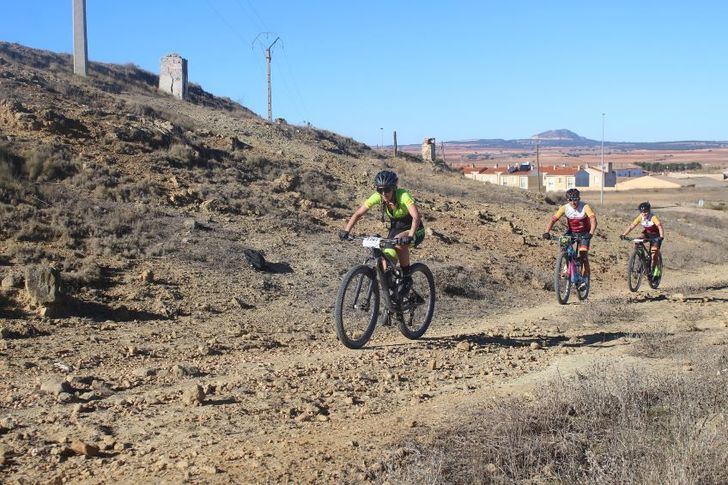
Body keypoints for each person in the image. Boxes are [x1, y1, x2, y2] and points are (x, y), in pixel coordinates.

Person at [338, 170, 425, 292]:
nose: (384, 193)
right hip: (396, 230)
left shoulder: (403, 195)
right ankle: (394, 296)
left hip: (414, 229)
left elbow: (416, 217)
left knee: (399, 243)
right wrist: (346, 230)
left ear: (394, 188)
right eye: (380, 190)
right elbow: (358, 213)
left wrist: (410, 236)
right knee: (386, 265)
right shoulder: (378, 197)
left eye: (387, 189)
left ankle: (407, 277)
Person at [542, 188, 597, 290]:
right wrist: (547, 232)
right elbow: (553, 220)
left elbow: (593, 219)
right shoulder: (564, 208)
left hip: (584, 233)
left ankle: (584, 279)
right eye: (570, 200)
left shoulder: (585, 207)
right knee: (563, 245)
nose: (573, 202)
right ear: (567, 200)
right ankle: (566, 264)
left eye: (575, 199)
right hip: (571, 232)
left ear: (579, 198)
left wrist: (591, 233)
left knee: (583, 254)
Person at [620, 201, 664, 277]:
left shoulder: (653, 217)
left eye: (646, 211)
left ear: (649, 210)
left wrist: (661, 236)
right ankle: (640, 258)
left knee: (654, 253)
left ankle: (654, 269)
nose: (644, 213)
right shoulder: (640, 217)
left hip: (656, 235)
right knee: (638, 240)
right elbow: (632, 226)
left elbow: (659, 226)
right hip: (647, 233)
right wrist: (624, 234)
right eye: (642, 212)